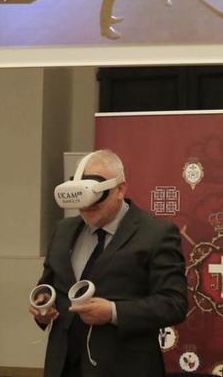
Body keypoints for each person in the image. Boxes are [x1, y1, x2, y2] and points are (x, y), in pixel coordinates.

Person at [31, 150, 188, 377]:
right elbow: (48, 287)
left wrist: (113, 312)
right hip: (64, 365)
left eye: (95, 202)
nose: (87, 209)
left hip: (124, 367)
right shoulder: (63, 231)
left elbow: (174, 303)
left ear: (120, 189)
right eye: (82, 204)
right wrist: (42, 306)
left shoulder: (156, 234)